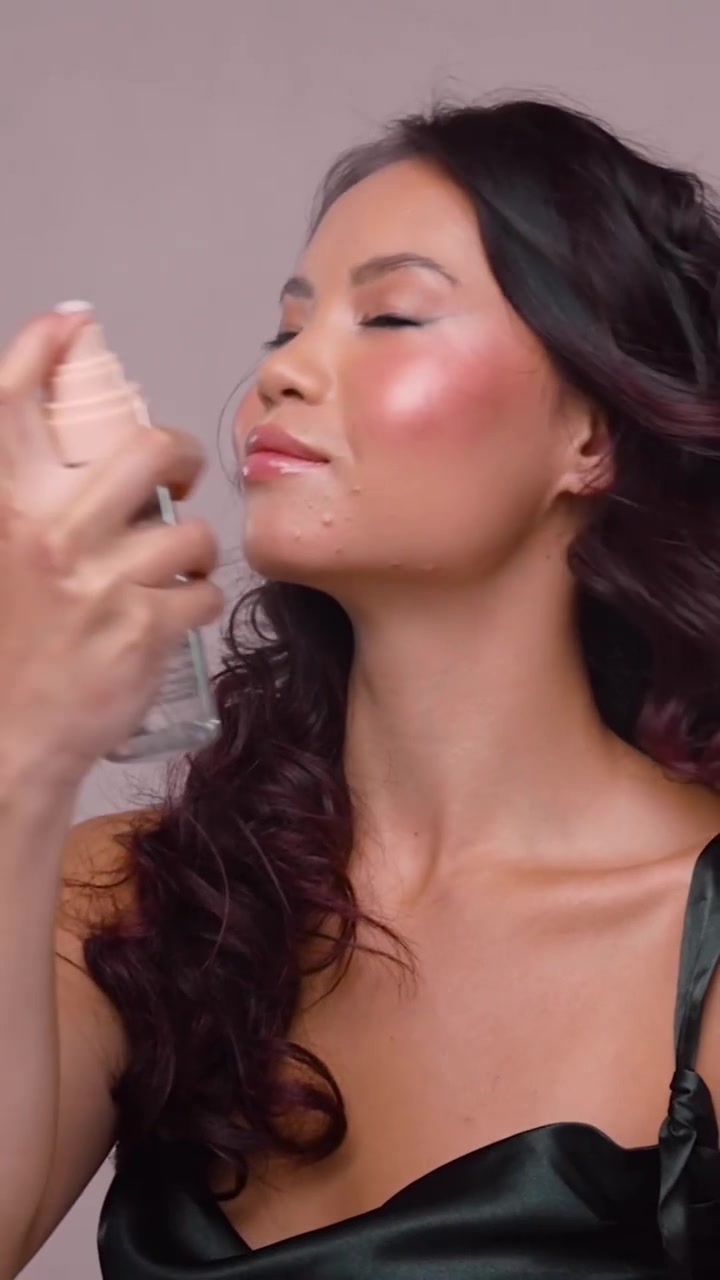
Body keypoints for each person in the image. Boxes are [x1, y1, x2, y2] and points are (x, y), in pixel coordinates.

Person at [2, 95, 720, 1280]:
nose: (282, 372)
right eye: (285, 329)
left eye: (390, 316)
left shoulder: (698, 944)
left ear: (591, 436)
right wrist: (21, 749)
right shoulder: (135, 900)